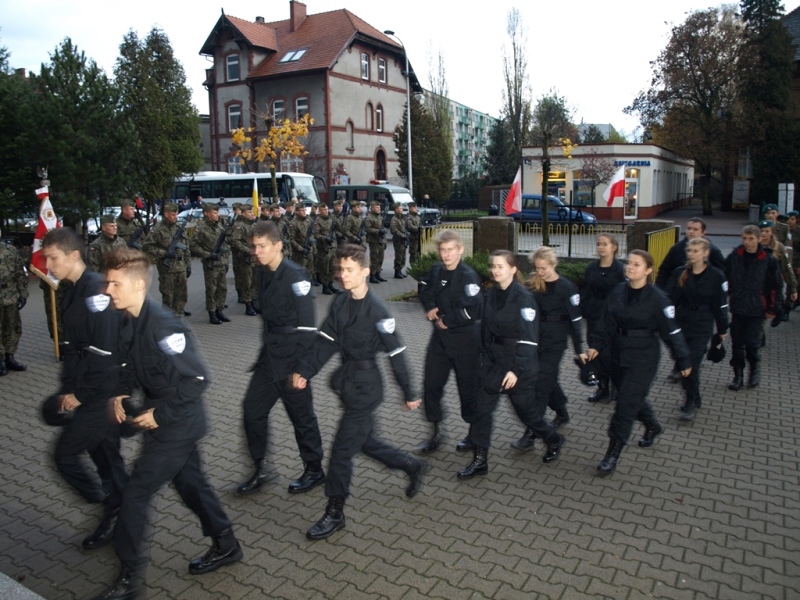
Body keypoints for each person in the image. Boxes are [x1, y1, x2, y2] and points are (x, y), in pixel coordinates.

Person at [94, 248, 242, 600]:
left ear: (139, 284)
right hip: (162, 415)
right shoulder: (128, 319)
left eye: (115, 283)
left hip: (176, 421)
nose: (108, 290)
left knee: (134, 495)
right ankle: (226, 544)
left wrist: (159, 415)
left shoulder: (164, 325)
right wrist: (120, 393)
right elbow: (128, 365)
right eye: (107, 283)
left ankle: (129, 579)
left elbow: (198, 379)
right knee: (191, 485)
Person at [292, 244, 427, 540]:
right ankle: (411, 464)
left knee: (341, 451)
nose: (343, 275)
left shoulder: (378, 311)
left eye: (350, 270)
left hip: (367, 387)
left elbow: (396, 353)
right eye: (341, 270)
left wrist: (409, 391)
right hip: (348, 382)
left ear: (365, 272)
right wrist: (306, 370)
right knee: (364, 442)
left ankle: (335, 511)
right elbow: (326, 341)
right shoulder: (339, 301)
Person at [41, 228, 128, 550]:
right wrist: (66, 388)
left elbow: (105, 354)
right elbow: (72, 349)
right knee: (106, 456)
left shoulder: (95, 292)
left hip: (102, 392)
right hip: (88, 388)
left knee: (65, 455)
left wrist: (80, 395)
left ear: (74, 255)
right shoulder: (71, 292)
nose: (48, 265)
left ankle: (109, 503)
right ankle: (120, 511)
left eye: (53, 258)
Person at [582, 250, 691, 476]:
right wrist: (595, 346)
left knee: (624, 405)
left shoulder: (658, 298)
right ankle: (652, 425)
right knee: (631, 397)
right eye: (629, 263)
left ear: (648, 270)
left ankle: (612, 453)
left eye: (636, 264)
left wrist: (683, 359)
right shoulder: (618, 291)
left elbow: (672, 333)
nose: (630, 267)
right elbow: (605, 323)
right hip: (618, 352)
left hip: (643, 357)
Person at [237, 221, 326, 496]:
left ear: (278, 246)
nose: (256, 251)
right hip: (269, 358)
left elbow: (308, 327)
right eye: (254, 246)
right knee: (252, 411)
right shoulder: (263, 272)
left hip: (292, 359)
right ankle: (261, 468)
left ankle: (314, 469)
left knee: (301, 417)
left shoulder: (296, 276)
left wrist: (303, 368)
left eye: (262, 246)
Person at [460, 250, 564, 479]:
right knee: (481, 410)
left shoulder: (524, 298)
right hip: (493, 361)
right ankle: (479, 461)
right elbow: (485, 328)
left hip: (518, 363)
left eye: (500, 266)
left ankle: (553, 438)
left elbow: (529, 339)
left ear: (513, 269)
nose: (495, 270)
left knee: (526, 413)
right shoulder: (491, 293)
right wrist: (482, 357)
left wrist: (515, 370)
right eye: (493, 266)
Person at [512, 246, 582, 451]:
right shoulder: (534, 285)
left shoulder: (567, 288)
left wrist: (580, 349)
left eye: (544, 268)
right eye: (537, 268)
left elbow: (575, 321)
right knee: (548, 380)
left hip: (555, 343)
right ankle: (561, 411)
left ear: (554, 264)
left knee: (540, 386)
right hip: (536, 339)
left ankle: (531, 434)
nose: (540, 272)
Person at [418, 230, 482, 453]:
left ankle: (474, 434)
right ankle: (436, 431)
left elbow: (473, 310)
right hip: (440, 341)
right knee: (431, 385)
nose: (446, 255)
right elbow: (424, 286)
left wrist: (448, 320)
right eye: (442, 250)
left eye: (450, 250)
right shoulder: (436, 270)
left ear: (460, 250)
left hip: (465, 342)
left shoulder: (468, 276)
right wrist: (430, 306)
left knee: (468, 389)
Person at [666, 238, 729, 421]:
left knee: (691, 364)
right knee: (682, 363)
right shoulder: (680, 273)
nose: (691, 254)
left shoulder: (716, 276)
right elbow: (669, 299)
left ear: (705, 253)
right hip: (681, 324)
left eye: (696, 251)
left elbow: (721, 305)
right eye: (689, 250)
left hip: (702, 326)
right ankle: (695, 394)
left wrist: (722, 329)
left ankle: (690, 401)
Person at [725, 225, 784, 390]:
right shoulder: (735, 256)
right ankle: (738, 375)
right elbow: (724, 276)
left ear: (759, 239)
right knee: (737, 344)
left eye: (751, 239)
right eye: (744, 238)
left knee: (752, 343)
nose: (747, 242)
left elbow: (776, 286)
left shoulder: (768, 260)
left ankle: (754, 370)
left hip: (757, 309)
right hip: (738, 307)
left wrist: (773, 308)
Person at [579, 234, 626, 403]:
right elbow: (585, 291)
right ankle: (602, 387)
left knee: (611, 355)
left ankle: (618, 388)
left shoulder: (621, 270)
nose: (601, 247)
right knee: (595, 354)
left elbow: (625, 295)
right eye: (599, 244)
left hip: (612, 319)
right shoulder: (592, 268)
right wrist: (583, 310)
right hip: (594, 317)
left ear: (614, 247)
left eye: (605, 244)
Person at [143, 202, 191, 318]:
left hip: (181, 267)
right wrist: (164, 253)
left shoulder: (179, 228)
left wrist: (188, 265)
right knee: (168, 297)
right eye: (173, 214)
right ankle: (168, 321)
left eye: (176, 214)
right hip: (167, 269)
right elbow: (147, 247)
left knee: (182, 296)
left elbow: (186, 248)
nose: (176, 216)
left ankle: (179, 318)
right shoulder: (158, 229)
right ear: (166, 214)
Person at [655, 218, 726, 289]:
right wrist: (659, 289)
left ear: (703, 232)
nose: (691, 231)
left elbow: (722, 272)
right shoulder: (676, 248)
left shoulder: (713, 251)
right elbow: (664, 270)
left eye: (695, 229)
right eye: (689, 228)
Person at [190, 203, 231, 325]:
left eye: (217, 212)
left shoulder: (220, 226)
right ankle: (212, 313)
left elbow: (225, 243)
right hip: (211, 263)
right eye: (214, 212)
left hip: (221, 262)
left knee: (222, 288)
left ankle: (220, 310)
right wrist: (208, 254)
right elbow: (193, 245)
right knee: (212, 289)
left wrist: (226, 257)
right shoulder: (201, 228)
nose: (217, 215)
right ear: (206, 213)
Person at [758, 219, 798, 318]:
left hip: (771, 285)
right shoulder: (755, 245)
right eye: (761, 231)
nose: (764, 234)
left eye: (767, 231)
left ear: (772, 232)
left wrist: (793, 288)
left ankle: (779, 311)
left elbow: (787, 269)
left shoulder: (778, 247)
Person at [0, 239, 28, 376]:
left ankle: (9, 357)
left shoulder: (10, 250)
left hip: (10, 296)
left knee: (12, 327)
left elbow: (20, 273)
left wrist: (23, 294)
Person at [229, 204, 258, 314]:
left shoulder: (254, 224)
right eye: (249, 212)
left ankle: (254, 302)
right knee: (247, 282)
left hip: (255, 258)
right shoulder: (239, 226)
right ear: (242, 213)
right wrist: (248, 250)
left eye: (252, 212)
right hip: (246, 258)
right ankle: (248, 305)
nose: (251, 214)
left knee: (255, 281)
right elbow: (235, 241)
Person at [313, 203, 341, 295]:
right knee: (325, 268)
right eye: (324, 209)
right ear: (319, 211)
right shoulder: (317, 221)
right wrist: (325, 238)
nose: (326, 211)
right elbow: (316, 234)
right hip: (324, 248)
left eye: (327, 209)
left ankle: (330, 284)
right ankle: (325, 286)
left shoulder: (331, 219)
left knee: (333, 267)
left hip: (333, 246)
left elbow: (335, 230)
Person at [289, 203, 316, 278]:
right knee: (300, 274)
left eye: (305, 210)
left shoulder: (308, 220)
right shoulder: (293, 223)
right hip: (299, 254)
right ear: (297, 212)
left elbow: (312, 234)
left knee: (310, 272)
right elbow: (291, 239)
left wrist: (313, 247)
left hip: (309, 251)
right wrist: (301, 249)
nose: (304, 212)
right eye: (302, 210)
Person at [365, 200, 387, 283]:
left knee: (381, 258)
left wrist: (384, 238)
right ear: (372, 208)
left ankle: (378, 274)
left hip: (381, 240)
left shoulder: (380, 217)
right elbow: (367, 229)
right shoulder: (369, 217)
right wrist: (378, 231)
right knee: (374, 258)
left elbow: (382, 227)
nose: (378, 209)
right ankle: (372, 275)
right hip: (373, 241)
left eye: (379, 207)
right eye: (377, 207)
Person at [390, 203, 409, 279]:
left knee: (403, 256)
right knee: (399, 256)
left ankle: (400, 270)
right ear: (396, 210)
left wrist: (406, 234)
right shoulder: (394, 219)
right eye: (400, 208)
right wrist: (403, 236)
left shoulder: (402, 218)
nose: (402, 209)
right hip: (398, 240)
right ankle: (397, 272)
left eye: (401, 208)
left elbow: (404, 228)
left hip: (403, 239)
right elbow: (394, 230)